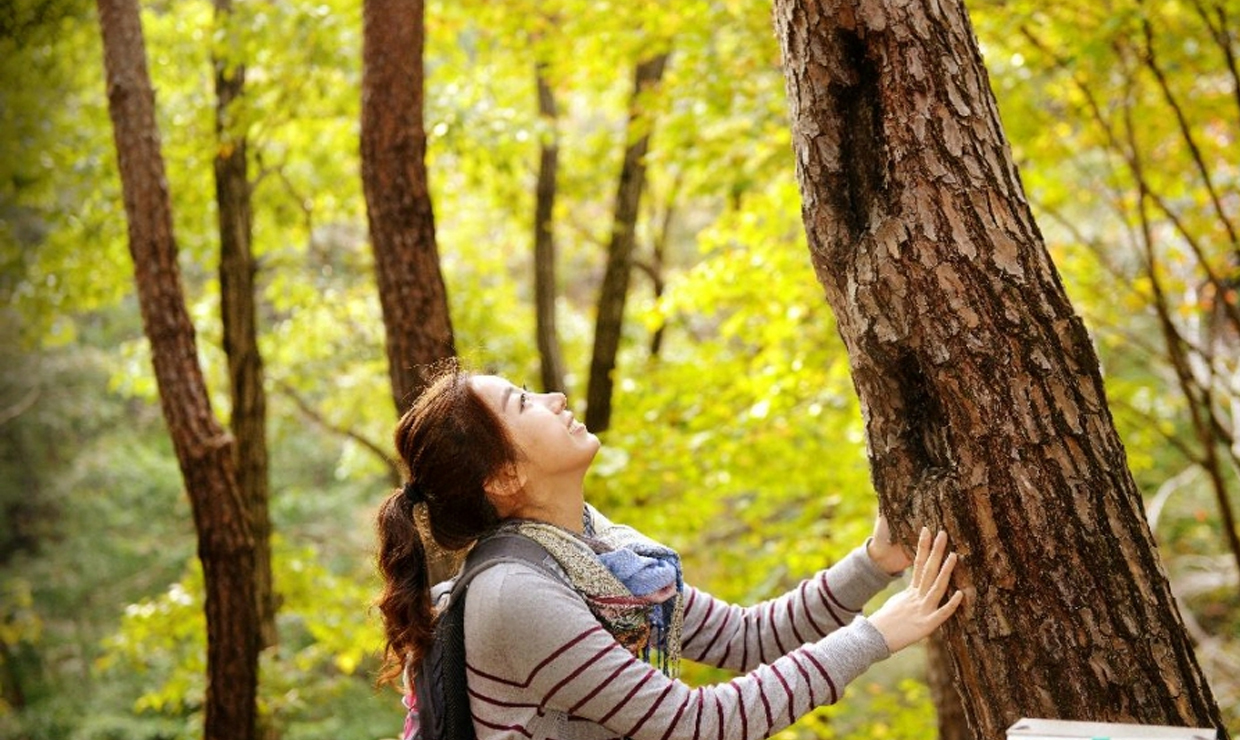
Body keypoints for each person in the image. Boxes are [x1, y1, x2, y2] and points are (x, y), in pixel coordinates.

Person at [375, 366, 964, 740]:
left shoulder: (598, 549)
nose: (553, 397)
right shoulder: (513, 595)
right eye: (523, 404)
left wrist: (875, 563)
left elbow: (745, 638)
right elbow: (694, 723)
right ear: (504, 476)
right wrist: (877, 635)